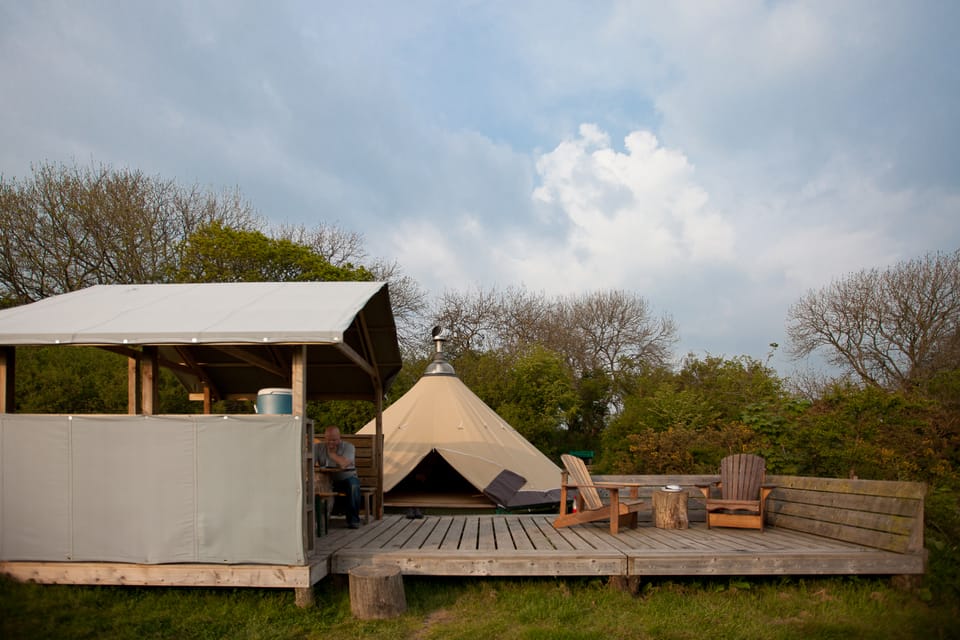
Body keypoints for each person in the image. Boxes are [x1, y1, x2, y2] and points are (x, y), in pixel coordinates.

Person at [315, 425, 362, 529]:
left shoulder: (349, 447)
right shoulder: (318, 447)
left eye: (334, 440)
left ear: (339, 438)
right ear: (325, 438)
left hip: (345, 478)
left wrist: (332, 454)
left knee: (353, 485)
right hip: (326, 480)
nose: (331, 443)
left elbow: (344, 463)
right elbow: (309, 463)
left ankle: (353, 520)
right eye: (328, 440)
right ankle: (318, 519)